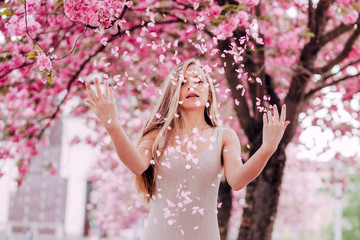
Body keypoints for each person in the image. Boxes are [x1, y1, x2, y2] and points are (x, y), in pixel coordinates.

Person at [85, 58, 290, 239]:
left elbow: (237, 180)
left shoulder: (224, 136)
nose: (192, 86)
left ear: (209, 93)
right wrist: (112, 126)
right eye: (183, 83)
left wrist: (267, 148)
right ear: (175, 93)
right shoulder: (158, 135)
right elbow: (137, 165)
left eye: (199, 81)